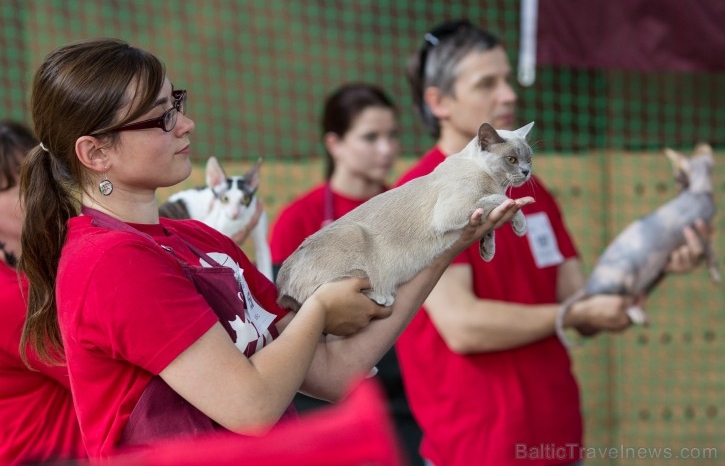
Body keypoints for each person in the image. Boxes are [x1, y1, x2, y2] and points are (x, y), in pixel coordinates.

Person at [18, 38, 530, 459]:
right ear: (96, 152)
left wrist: (450, 240)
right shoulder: (110, 261)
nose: (186, 124)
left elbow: (335, 373)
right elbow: (252, 406)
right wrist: (323, 308)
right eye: (160, 119)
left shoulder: (201, 241)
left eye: (178, 103)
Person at [394, 19, 710, 466]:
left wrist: (658, 258)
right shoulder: (422, 192)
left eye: (507, 79)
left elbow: (585, 308)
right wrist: (571, 313)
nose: (508, 95)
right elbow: (464, 326)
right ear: (438, 101)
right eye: (488, 83)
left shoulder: (531, 189)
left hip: (558, 439)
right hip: (477, 450)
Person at [269, 82, 423, 465]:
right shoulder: (298, 219)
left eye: (392, 136)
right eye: (370, 137)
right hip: (325, 395)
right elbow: (285, 319)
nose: (386, 149)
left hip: (405, 390)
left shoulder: (408, 212)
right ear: (334, 143)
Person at [0, 120, 85, 465]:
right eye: (14, 183)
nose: (33, 190)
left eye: (36, 174)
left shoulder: (36, 266)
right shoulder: (12, 295)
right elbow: (105, 376)